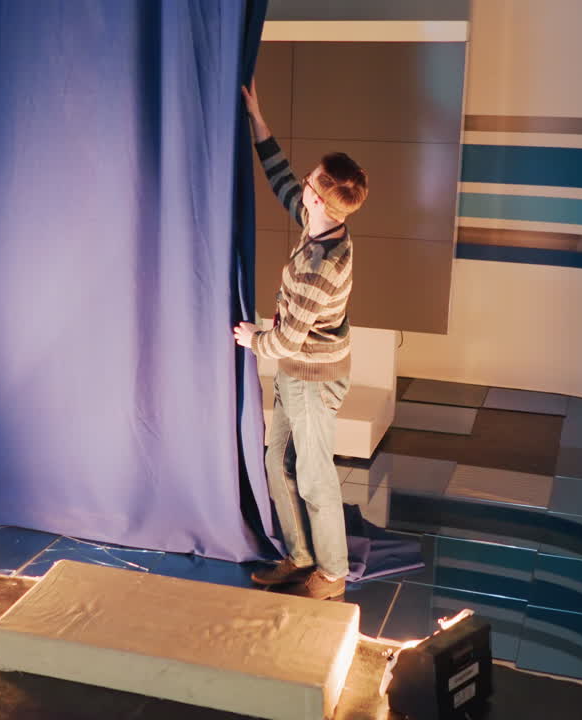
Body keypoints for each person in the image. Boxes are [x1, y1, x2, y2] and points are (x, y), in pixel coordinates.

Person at [235, 78, 368, 600]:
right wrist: (258, 119)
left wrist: (253, 338)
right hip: (298, 372)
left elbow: (287, 341)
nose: (304, 183)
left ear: (321, 199)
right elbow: (280, 179)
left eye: (311, 181)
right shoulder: (320, 224)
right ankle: (300, 555)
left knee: (315, 479)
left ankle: (331, 577)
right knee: (276, 461)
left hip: (312, 380)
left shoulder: (322, 263)